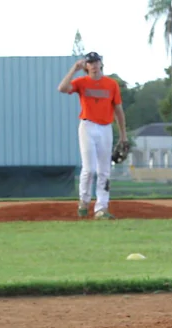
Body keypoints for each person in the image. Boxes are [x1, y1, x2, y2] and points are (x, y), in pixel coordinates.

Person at [57, 51, 128, 219]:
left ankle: (101, 208)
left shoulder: (111, 84)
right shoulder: (82, 82)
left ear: (101, 64)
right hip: (87, 126)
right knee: (89, 169)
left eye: (96, 62)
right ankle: (84, 201)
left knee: (104, 170)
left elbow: (118, 110)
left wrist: (123, 135)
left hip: (105, 128)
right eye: (90, 62)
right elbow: (62, 88)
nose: (94, 65)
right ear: (86, 66)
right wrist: (74, 69)